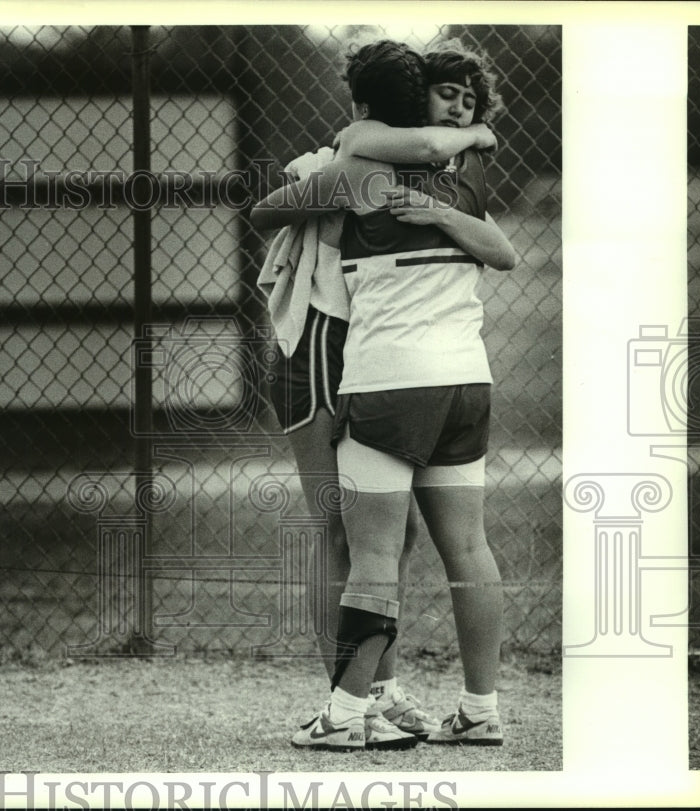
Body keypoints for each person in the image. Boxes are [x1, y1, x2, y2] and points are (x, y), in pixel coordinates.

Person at [252, 38, 516, 751]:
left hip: (391, 372)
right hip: (422, 367)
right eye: (448, 96)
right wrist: (458, 154)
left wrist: (339, 190)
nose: (461, 109)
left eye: (471, 101)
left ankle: (351, 709)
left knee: (373, 545)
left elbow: (266, 210)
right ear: (412, 108)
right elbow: (502, 249)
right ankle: (429, 702)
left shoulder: (365, 175)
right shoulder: (447, 173)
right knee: (392, 538)